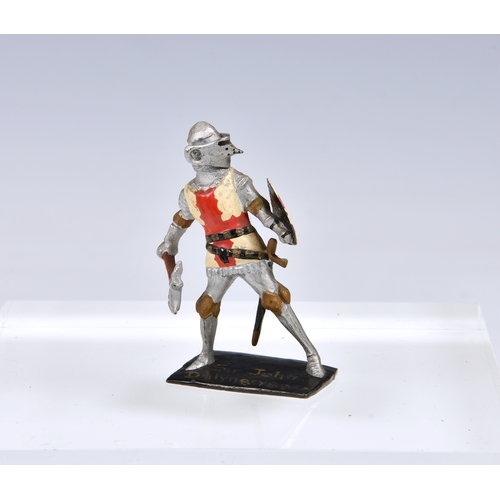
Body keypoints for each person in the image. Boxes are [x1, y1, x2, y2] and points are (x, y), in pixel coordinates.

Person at [157, 121, 325, 378]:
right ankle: (206, 354)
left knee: (274, 300)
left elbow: (259, 210)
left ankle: (312, 355)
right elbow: (181, 220)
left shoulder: (237, 180)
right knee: (206, 305)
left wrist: (279, 230)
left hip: (248, 250)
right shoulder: (188, 192)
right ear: (197, 154)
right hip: (216, 256)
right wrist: (169, 241)